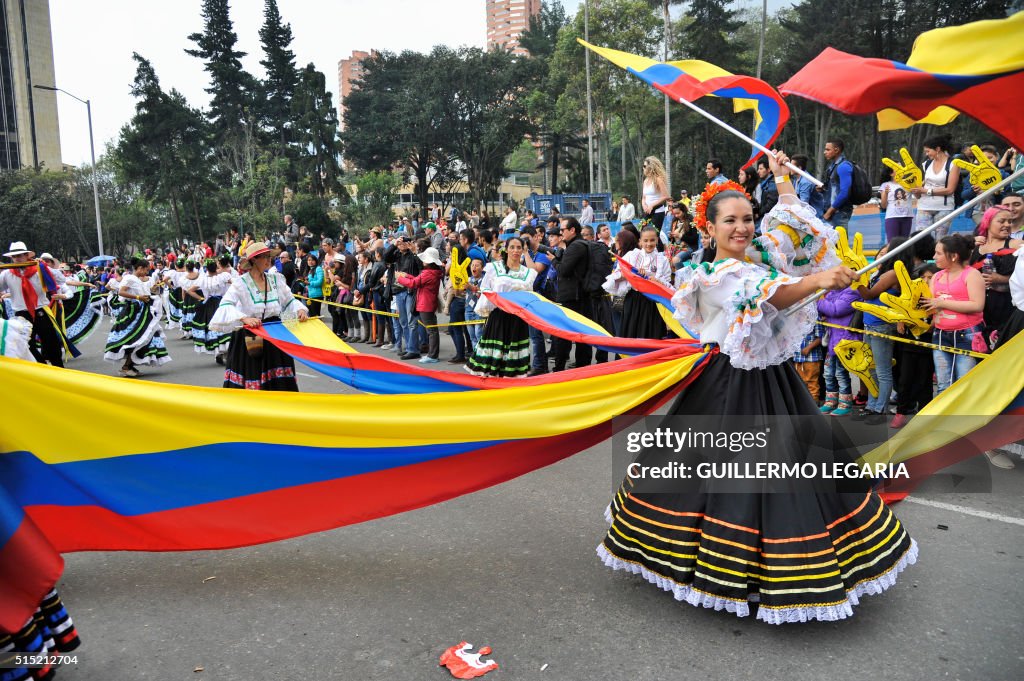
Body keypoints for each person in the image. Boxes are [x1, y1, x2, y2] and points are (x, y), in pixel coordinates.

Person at [600, 151, 916, 624]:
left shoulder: (759, 256)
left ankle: (774, 568)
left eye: (748, 218)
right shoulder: (712, 277)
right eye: (731, 221)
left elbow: (789, 229)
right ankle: (736, 570)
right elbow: (770, 292)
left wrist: (784, 179)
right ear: (708, 228)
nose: (742, 228)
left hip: (774, 382)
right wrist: (818, 279)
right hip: (726, 389)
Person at [210, 242, 309, 390]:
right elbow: (225, 305)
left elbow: (289, 301)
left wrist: (300, 310)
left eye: (269, 256)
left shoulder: (276, 280)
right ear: (254, 259)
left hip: (275, 335)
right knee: (253, 374)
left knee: (279, 381)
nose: (269, 260)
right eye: (264, 257)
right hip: (252, 335)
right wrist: (244, 318)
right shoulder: (240, 283)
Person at [853, 237, 913, 425]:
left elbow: (869, 294)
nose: (883, 252)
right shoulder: (884, 272)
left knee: (882, 370)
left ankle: (880, 408)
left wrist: (856, 280)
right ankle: (872, 405)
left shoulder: (893, 273)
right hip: (870, 324)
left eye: (888, 249)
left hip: (881, 325)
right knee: (871, 369)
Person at [465, 237, 537, 377]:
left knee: (513, 354)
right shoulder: (494, 268)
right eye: (512, 247)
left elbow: (530, 293)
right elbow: (485, 288)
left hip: (518, 318)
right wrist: (493, 301)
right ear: (506, 249)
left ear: (523, 250)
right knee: (494, 353)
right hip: (499, 315)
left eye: (518, 247)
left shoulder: (527, 273)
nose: (515, 251)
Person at [923, 234, 985, 395]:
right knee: (943, 385)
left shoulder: (972, 275)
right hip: (941, 334)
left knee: (964, 386)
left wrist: (941, 303)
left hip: (967, 335)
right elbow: (930, 305)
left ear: (954, 256)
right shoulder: (936, 276)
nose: (933, 257)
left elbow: (977, 305)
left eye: (938, 253)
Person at [0, 241, 69, 366]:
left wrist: (44, 267)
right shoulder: (7, 274)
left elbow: (61, 279)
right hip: (21, 314)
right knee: (24, 345)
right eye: (14, 257)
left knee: (51, 343)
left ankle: (59, 370)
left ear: (27, 256)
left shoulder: (38, 269)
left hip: (41, 310)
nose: (17, 259)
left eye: (20, 255)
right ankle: (41, 367)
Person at [103, 256, 171, 377]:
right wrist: (138, 298)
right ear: (140, 268)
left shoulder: (137, 279)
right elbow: (121, 292)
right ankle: (127, 366)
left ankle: (130, 365)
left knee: (144, 338)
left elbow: (141, 292)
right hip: (133, 312)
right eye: (145, 270)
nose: (146, 272)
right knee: (137, 338)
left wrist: (150, 291)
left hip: (141, 311)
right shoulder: (129, 278)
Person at [968, 205, 1023, 349]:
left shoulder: (1018, 245)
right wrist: (969, 245)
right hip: (979, 308)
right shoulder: (975, 247)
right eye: (1002, 221)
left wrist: (1000, 279)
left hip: (1007, 307)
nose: (1007, 225)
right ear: (988, 222)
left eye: (1010, 222)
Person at [603, 224, 670, 339]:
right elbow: (615, 277)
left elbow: (668, 283)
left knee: (652, 338)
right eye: (645, 240)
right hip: (634, 302)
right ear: (640, 241)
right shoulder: (631, 255)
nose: (649, 244)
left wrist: (657, 281)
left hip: (654, 304)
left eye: (652, 240)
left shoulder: (663, 260)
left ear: (657, 240)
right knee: (631, 334)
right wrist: (630, 274)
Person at [550, 218, 592, 371]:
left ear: (572, 230)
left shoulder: (576, 247)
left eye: (562, 230)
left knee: (565, 334)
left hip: (573, 297)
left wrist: (554, 260)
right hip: (579, 296)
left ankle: (560, 368)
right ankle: (582, 367)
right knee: (581, 334)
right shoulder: (577, 245)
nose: (560, 233)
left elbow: (563, 270)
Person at [816, 286, 862, 417]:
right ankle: (830, 401)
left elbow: (835, 309)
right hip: (832, 340)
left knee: (841, 374)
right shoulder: (832, 292)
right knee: (828, 374)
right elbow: (824, 311)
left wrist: (819, 300)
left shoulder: (853, 291)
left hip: (845, 341)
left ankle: (845, 403)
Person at [397, 247, 443, 364]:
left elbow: (413, 284)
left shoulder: (428, 273)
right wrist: (406, 276)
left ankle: (432, 355)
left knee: (431, 331)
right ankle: (432, 354)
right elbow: (418, 281)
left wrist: (400, 279)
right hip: (428, 303)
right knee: (432, 331)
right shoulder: (433, 272)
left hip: (425, 304)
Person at [910, 135, 961, 240]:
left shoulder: (953, 164)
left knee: (940, 240)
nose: (926, 154)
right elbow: (922, 185)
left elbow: (950, 189)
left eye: (928, 151)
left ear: (938, 149)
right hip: (924, 206)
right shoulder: (926, 164)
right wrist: (916, 189)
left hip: (944, 208)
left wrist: (926, 191)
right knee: (921, 239)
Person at [822, 138, 855, 227]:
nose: (825, 152)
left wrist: (829, 212)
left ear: (836, 150)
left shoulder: (843, 166)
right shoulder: (832, 166)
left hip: (839, 212)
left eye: (828, 149)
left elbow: (845, 192)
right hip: (833, 213)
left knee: (841, 240)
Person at [879, 166, 915, 241]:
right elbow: (883, 205)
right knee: (892, 244)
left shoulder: (909, 182)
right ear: (891, 173)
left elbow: (918, 196)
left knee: (905, 244)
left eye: (901, 167)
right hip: (892, 217)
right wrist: (885, 193)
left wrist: (917, 186)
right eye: (897, 168)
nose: (901, 169)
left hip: (907, 217)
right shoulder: (885, 185)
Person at [641, 157, 671, 228]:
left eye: (644, 166)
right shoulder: (645, 181)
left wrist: (652, 205)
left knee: (654, 233)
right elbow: (643, 197)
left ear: (650, 167)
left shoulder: (658, 180)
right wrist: (644, 206)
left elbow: (666, 196)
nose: (643, 168)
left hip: (658, 211)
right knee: (642, 232)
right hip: (647, 211)